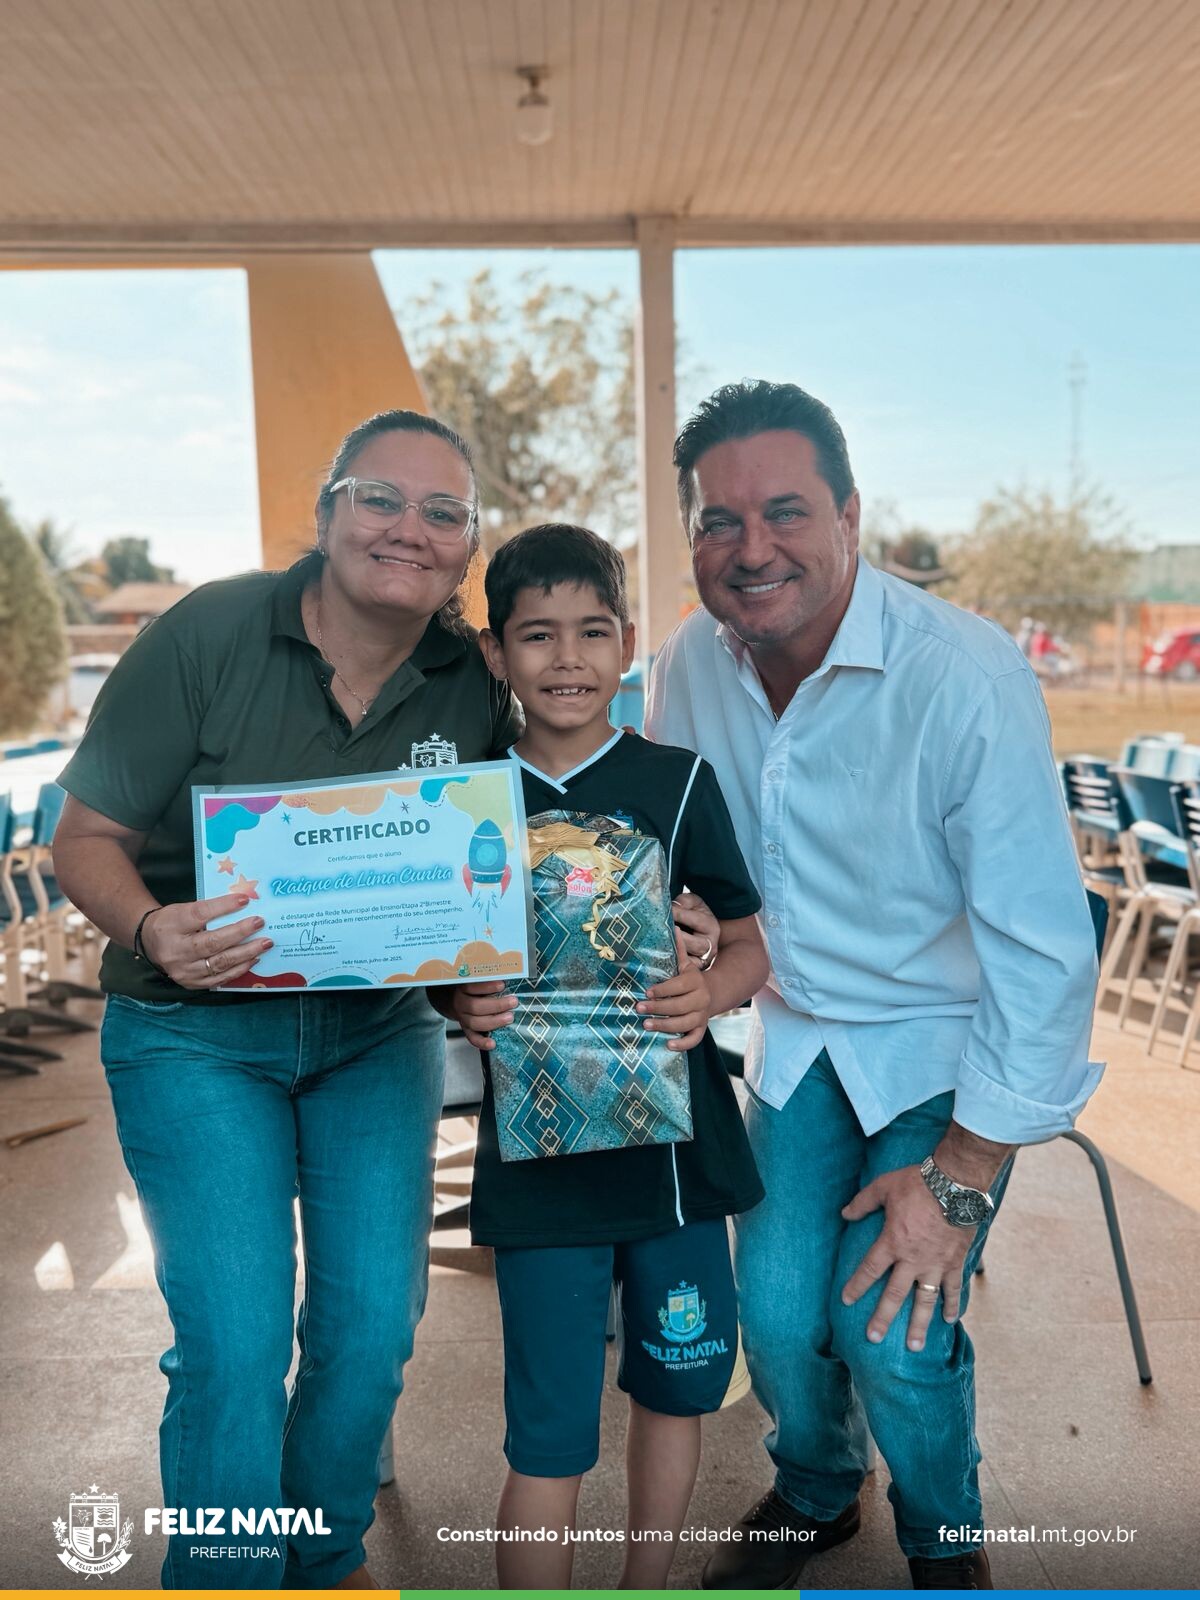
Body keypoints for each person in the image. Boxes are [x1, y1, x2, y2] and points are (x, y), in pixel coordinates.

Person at [50, 409, 523, 1590]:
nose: (408, 529)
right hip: (193, 1034)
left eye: (443, 512)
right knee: (237, 1342)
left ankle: (322, 1560)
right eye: (380, 498)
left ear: (465, 551)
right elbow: (85, 838)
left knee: (369, 1335)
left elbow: (473, 869)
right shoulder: (205, 633)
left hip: (375, 1037)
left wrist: (475, 974)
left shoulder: (469, 678)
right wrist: (155, 925)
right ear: (325, 514)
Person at [645, 381, 1101, 1591]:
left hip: (946, 1049)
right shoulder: (690, 661)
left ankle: (946, 1539)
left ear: (851, 513)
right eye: (716, 521)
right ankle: (817, 1488)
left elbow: (1047, 955)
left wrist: (959, 1178)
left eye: (784, 511)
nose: (750, 549)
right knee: (781, 1321)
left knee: (889, 1329)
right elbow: (671, 851)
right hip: (795, 1037)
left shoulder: (963, 675)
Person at [438, 524, 769, 1590]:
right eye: (537, 635)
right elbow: (439, 964)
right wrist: (462, 994)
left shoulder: (677, 784)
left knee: (676, 1391)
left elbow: (750, 940)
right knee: (548, 1429)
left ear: (628, 641)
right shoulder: (466, 801)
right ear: (497, 653)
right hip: (540, 1177)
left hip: (674, 1165)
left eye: (591, 631)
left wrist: (707, 988)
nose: (567, 658)